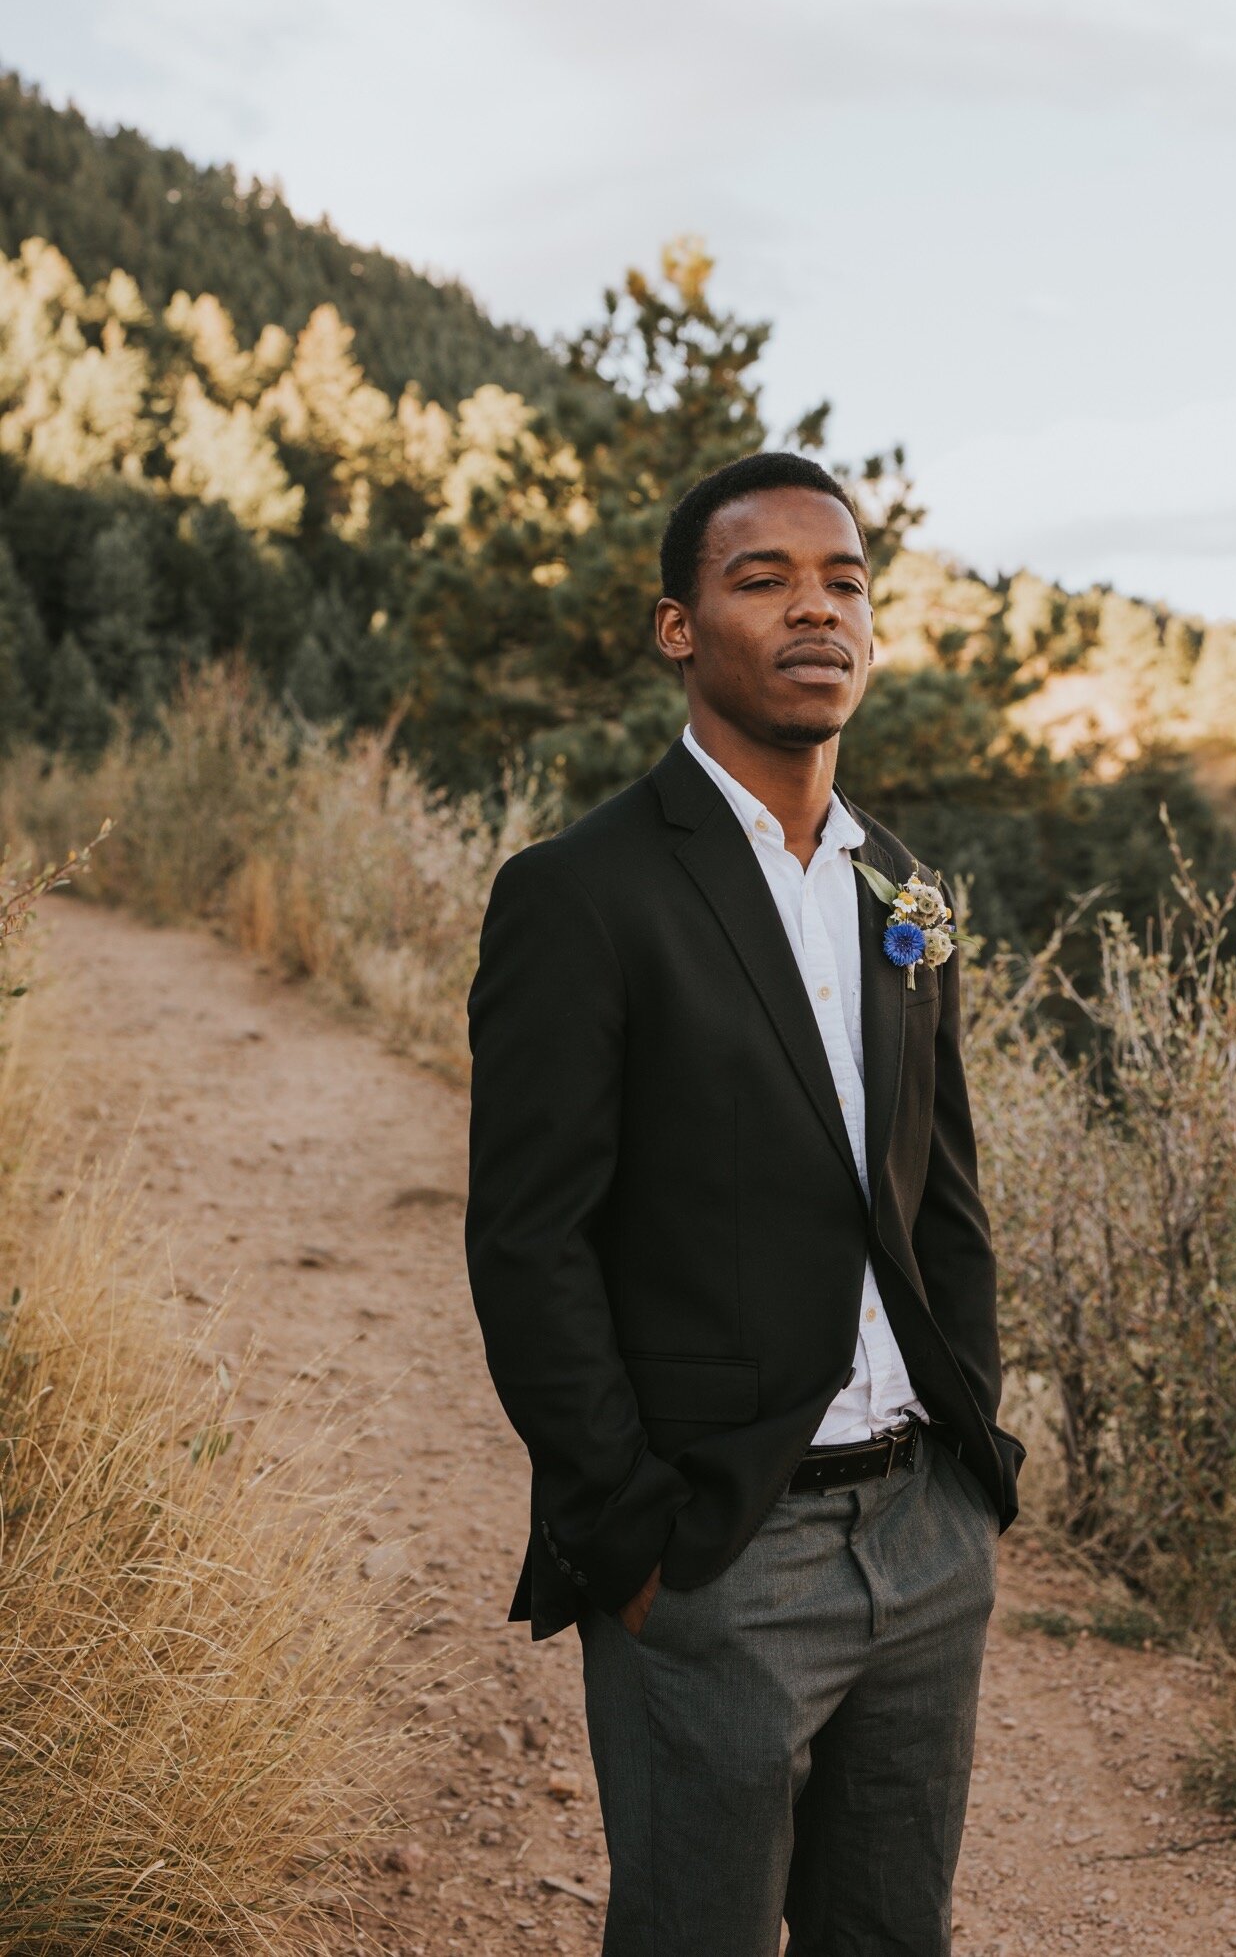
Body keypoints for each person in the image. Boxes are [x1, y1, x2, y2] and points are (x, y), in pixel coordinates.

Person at [466, 450, 1023, 1957]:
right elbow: (528, 1242)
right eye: (761, 577)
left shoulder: (906, 889)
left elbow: (942, 1197)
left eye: (843, 579)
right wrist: (633, 1537)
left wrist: (974, 1458)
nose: (815, 607)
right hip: (717, 1556)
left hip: (922, 1537)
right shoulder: (580, 894)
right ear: (677, 627)